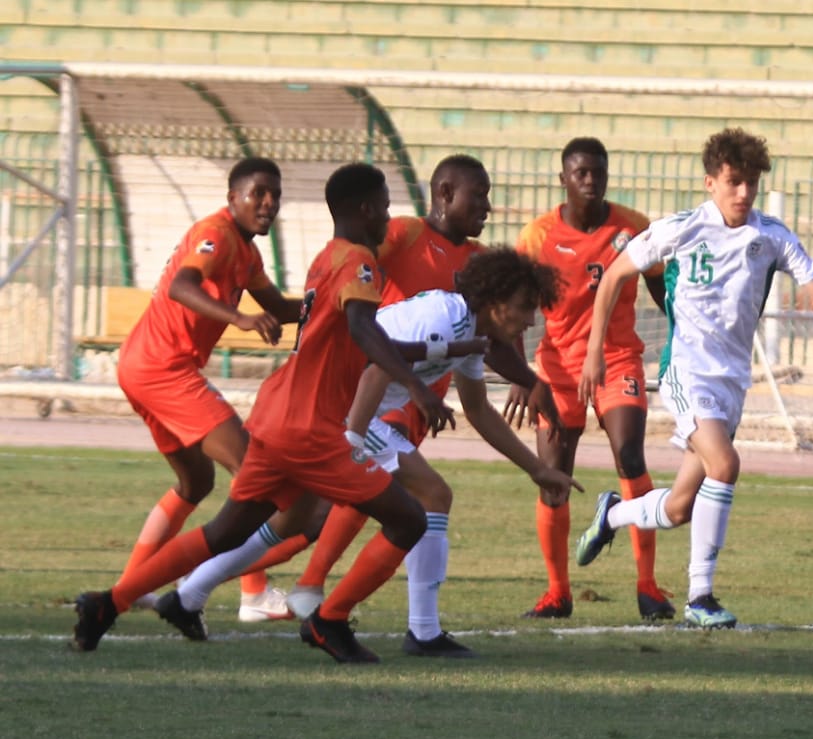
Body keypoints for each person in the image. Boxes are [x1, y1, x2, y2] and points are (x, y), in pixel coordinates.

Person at [73, 163, 450, 664]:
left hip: (277, 417)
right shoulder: (358, 262)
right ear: (365, 210)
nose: (388, 216)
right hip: (310, 429)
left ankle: (109, 602)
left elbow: (343, 326)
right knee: (408, 518)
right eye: (383, 206)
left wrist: (441, 351)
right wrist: (414, 385)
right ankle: (328, 620)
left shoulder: (327, 258)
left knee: (225, 528)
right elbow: (363, 328)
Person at [574, 128, 813, 628]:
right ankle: (700, 597)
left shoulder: (772, 236)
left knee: (678, 508)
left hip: (732, 381)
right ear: (710, 182)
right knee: (725, 463)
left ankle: (612, 514)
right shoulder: (681, 228)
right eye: (734, 182)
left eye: (751, 183)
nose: (744, 192)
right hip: (686, 371)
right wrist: (594, 353)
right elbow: (613, 277)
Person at [282, 154, 563, 619]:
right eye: (479, 195)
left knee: (380, 500)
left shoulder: (479, 261)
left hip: (425, 394)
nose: (487, 206)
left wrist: (526, 379)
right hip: (380, 384)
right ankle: (316, 595)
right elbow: (348, 277)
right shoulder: (404, 234)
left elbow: (491, 337)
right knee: (373, 498)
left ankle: (314, 594)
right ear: (445, 193)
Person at [341, 248, 582, 656]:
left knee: (425, 498)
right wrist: (352, 439)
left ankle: (417, 631)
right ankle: (345, 618)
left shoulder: (468, 332)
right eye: (525, 307)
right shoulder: (444, 319)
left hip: (354, 414)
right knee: (419, 498)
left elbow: (478, 409)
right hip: (339, 411)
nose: (530, 320)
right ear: (495, 301)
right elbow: (375, 365)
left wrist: (537, 470)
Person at [112, 157, 300, 622]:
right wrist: (239, 318)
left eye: (275, 195)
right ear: (233, 197)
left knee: (196, 483)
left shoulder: (247, 253)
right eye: (258, 194)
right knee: (255, 471)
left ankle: (129, 587)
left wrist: (339, 302)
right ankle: (253, 593)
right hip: (163, 368)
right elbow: (181, 285)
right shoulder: (214, 233)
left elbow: (279, 307)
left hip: (143, 366)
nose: (269, 203)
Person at [507, 137, 674, 621]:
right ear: (563, 178)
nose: (590, 181)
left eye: (598, 172)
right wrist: (522, 375)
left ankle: (647, 587)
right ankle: (557, 593)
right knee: (552, 480)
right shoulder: (537, 236)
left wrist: (684, 333)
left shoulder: (632, 227)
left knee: (631, 456)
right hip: (558, 369)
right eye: (580, 173)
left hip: (617, 360)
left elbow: (661, 287)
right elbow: (511, 306)